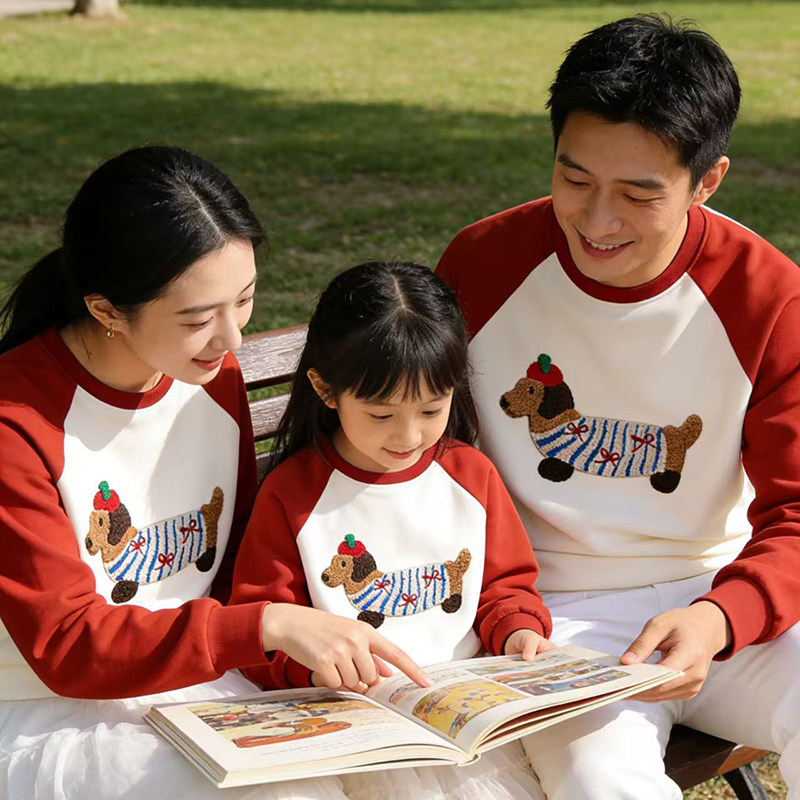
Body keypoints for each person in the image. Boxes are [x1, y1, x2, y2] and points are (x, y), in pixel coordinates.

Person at [435, 13, 800, 799]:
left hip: (723, 595)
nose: (597, 221)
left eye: (639, 194)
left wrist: (722, 616)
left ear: (708, 180)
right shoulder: (482, 264)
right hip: (555, 620)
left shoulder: (768, 295)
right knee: (600, 784)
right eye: (574, 180)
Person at [0, 146, 424, 800]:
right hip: (53, 710)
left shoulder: (209, 373)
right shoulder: (16, 423)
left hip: (203, 683)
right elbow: (66, 645)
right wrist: (264, 627)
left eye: (244, 300)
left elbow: (233, 562)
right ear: (107, 310)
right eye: (198, 318)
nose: (232, 341)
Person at [230, 261, 553, 800]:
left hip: (465, 708)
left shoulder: (470, 474)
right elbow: (263, 626)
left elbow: (506, 587)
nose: (409, 436)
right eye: (381, 416)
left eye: (431, 410)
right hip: (352, 719)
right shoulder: (293, 493)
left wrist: (517, 629)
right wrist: (315, 671)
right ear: (325, 389)